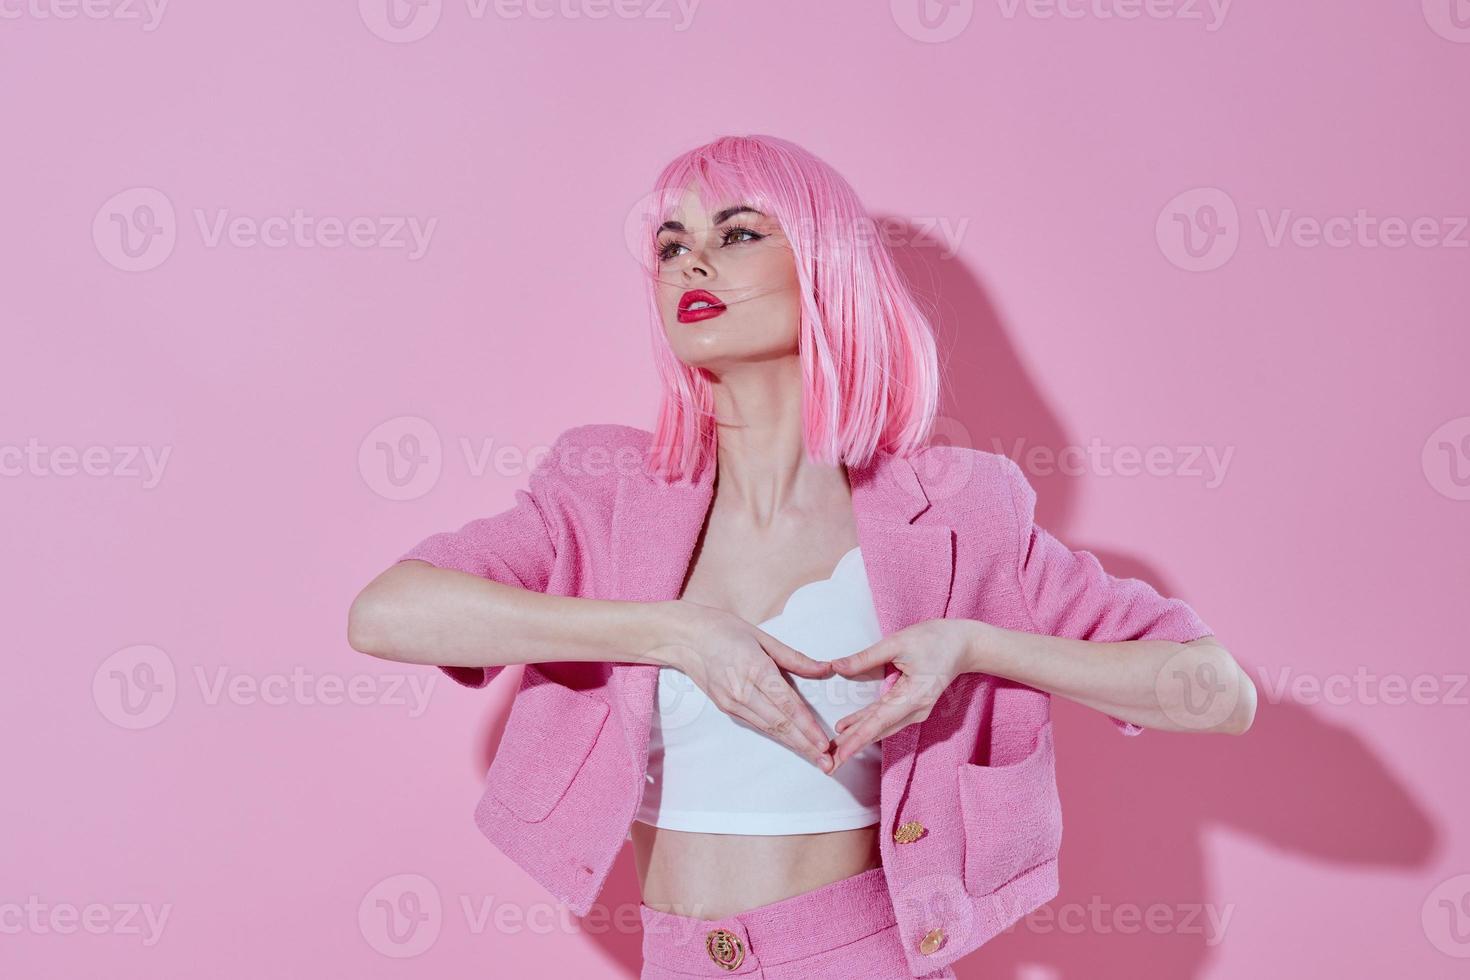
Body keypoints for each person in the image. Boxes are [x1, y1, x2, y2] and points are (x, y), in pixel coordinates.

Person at [348, 134, 1254, 979]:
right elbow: (387, 614)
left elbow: (1216, 692)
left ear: (825, 267)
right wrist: (676, 634)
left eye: (737, 233)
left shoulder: (956, 511)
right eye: (669, 245)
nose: (690, 263)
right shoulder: (603, 489)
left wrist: (976, 647)